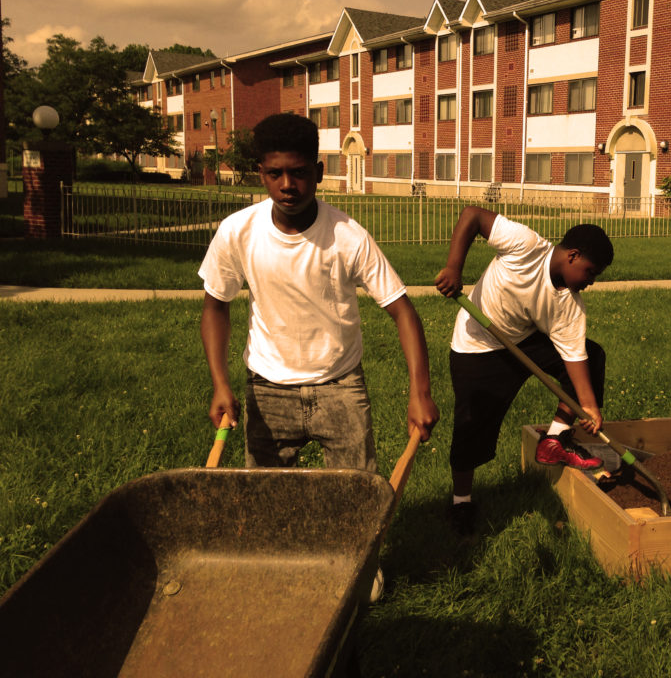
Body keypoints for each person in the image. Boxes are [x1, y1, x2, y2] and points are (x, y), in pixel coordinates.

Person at [199, 112, 439, 476]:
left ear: (320, 172)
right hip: (268, 388)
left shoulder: (348, 235)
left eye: (299, 172)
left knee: (357, 502)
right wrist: (220, 383)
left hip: (340, 386)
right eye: (274, 173)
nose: (287, 185)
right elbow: (216, 306)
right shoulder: (238, 232)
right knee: (267, 504)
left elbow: (402, 311)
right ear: (260, 172)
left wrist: (420, 393)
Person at [434, 205, 613, 535]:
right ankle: (462, 502)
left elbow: (574, 358)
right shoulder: (525, 244)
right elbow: (472, 216)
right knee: (471, 425)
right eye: (591, 272)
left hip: (523, 341)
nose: (591, 282)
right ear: (573, 256)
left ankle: (554, 441)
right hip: (478, 345)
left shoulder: (570, 305)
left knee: (593, 354)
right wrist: (453, 268)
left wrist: (588, 406)